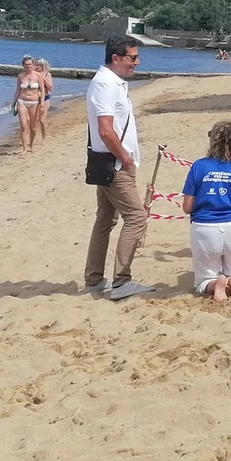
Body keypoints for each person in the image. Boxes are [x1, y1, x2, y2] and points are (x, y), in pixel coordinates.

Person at [83, 34, 155, 300]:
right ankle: (121, 281)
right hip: (114, 165)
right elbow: (105, 130)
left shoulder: (113, 83)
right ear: (116, 58)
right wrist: (124, 158)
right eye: (132, 58)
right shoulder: (105, 84)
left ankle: (94, 279)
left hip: (109, 163)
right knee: (136, 217)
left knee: (106, 219)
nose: (137, 63)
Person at [180, 120, 231, 301]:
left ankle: (215, 284)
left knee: (203, 279)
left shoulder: (198, 166)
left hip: (204, 228)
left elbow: (187, 207)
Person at [12, 56, 45, 153]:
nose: (28, 66)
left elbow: (42, 91)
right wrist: (13, 102)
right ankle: (24, 148)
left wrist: (42, 104)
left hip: (34, 103)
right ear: (23, 66)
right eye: (26, 65)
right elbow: (17, 90)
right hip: (22, 101)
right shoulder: (20, 76)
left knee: (33, 128)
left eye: (30, 64)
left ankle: (30, 145)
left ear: (33, 65)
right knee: (23, 125)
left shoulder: (38, 76)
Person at [35, 58, 56, 139]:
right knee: (31, 120)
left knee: (42, 120)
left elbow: (50, 88)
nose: (36, 67)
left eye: (38, 65)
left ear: (43, 66)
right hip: (34, 99)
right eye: (35, 65)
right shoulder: (33, 74)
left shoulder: (47, 74)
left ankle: (44, 137)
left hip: (45, 98)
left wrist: (43, 79)